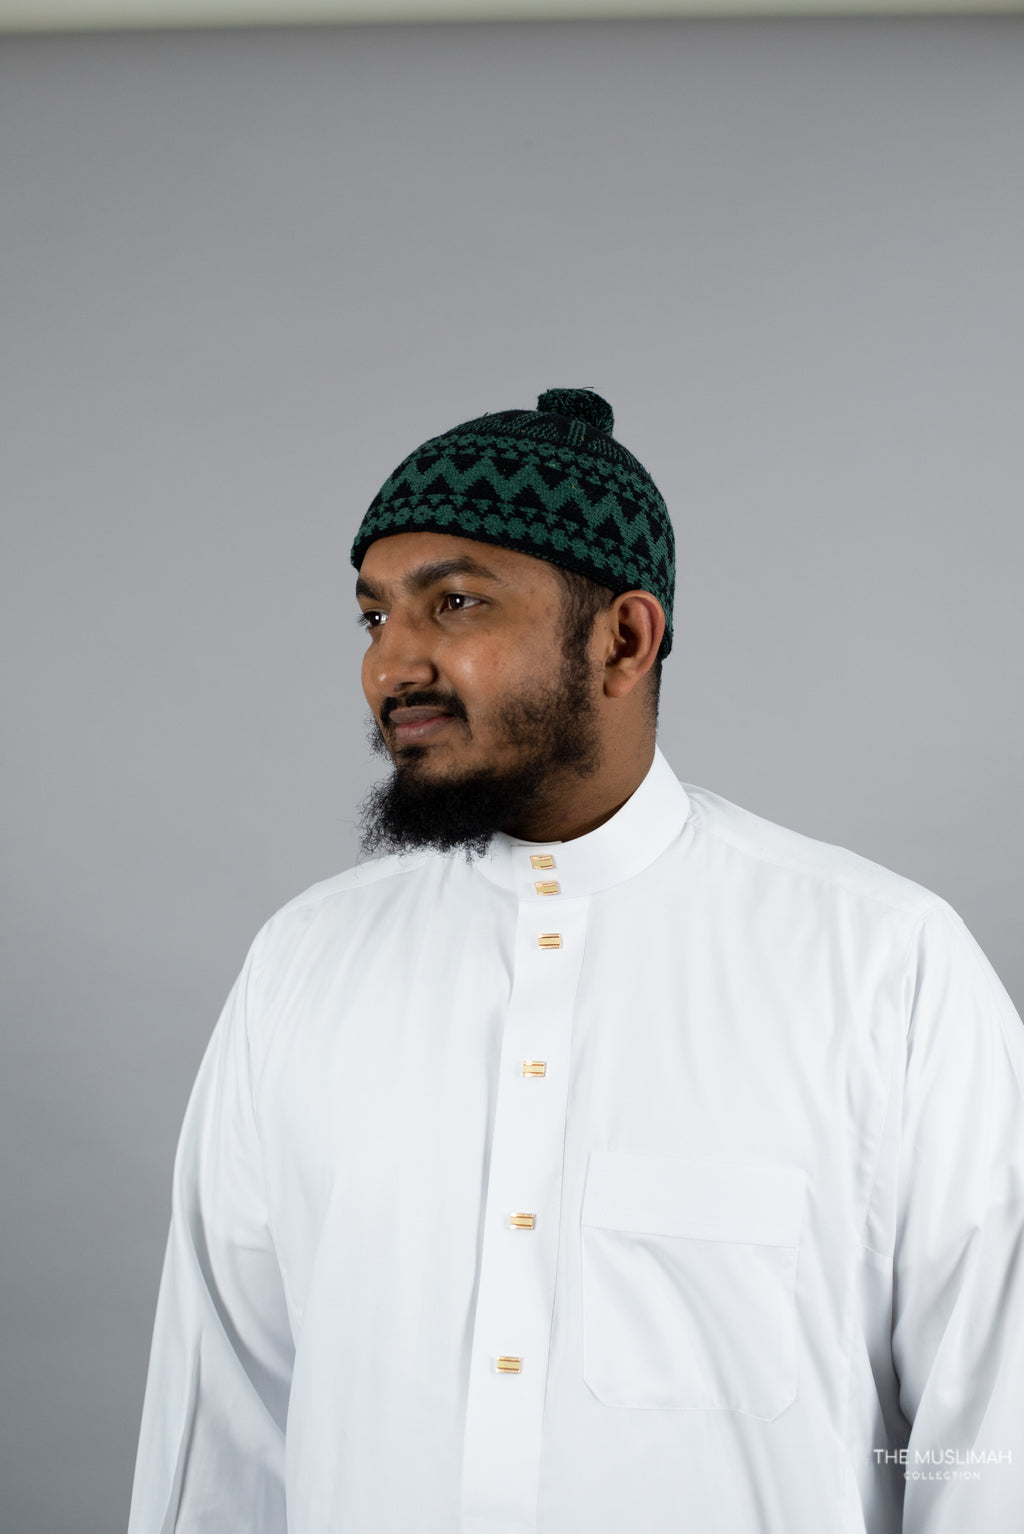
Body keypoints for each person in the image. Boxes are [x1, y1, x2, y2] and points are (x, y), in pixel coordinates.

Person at [127, 388, 1024, 1534]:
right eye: (373, 616)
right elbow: (222, 1427)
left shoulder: (882, 965)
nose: (390, 665)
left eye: (454, 602)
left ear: (623, 640)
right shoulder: (303, 965)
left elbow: (991, 1427)